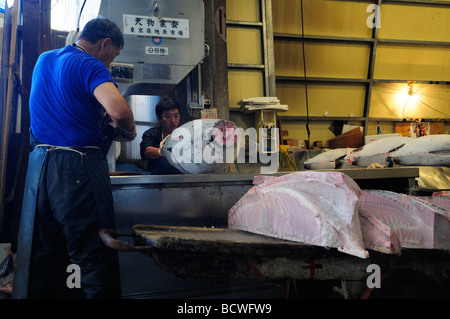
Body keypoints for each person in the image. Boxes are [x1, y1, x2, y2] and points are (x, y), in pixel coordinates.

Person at [13, 17, 136, 299]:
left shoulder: (44, 59)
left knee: (44, 257)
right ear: (105, 44)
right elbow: (119, 111)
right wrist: (128, 131)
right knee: (94, 255)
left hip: (39, 170)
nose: (110, 62)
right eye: (114, 55)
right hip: (76, 170)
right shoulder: (89, 64)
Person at [140, 97, 182, 174]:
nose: (173, 121)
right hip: (157, 178)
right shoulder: (151, 133)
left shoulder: (186, 133)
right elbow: (146, 151)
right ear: (159, 118)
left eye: (176, 116)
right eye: (168, 116)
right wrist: (161, 151)